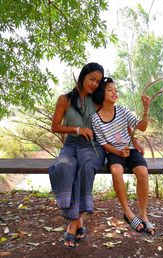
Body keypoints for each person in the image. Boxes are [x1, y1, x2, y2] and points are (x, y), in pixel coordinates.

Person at [48, 63, 106, 248]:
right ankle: (77, 221)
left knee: (86, 167)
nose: (95, 84)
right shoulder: (64, 99)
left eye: (98, 81)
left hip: (92, 147)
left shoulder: (98, 100)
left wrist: (133, 139)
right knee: (65, 166)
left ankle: (73, 224)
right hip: (71, 145)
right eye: (92, 79)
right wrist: (77, 129)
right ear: (82, 77)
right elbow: (55, 126)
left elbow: (116, 117)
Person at [91, 77, 155, 235]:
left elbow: (142, 127)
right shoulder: (96, 118)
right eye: (110, 90)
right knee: (116, 171)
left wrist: (146, 110)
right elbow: (103, 144)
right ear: (101, 93)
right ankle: (128, 212)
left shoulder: (123, 111)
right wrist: (118, 152)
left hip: (130, 149)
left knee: (142, 172)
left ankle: (143, 214)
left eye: (116, 90)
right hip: (113, 151)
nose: (115, 92)